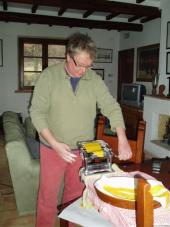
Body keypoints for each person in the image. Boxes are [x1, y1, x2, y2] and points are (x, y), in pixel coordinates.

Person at [30, 32, 132, 227]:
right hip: (52, 149)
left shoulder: (93, 79)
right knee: (47, 199)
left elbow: (111, 106)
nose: (85, 71)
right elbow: (36, 112)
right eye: (80, 65)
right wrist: (55, 144)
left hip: (82, 150)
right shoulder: (49, 76)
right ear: (68, 57)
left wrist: (122, 137)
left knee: (75, 198)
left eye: (89, 65)